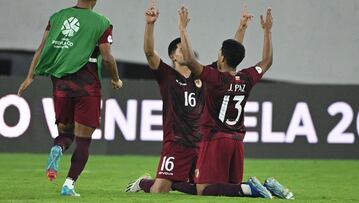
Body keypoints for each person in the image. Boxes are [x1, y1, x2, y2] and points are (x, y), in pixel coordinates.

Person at [126, 1, 253, 195]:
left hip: (203, 143)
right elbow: (150, 53)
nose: (185, 50)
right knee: (160, 190)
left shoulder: (204, 74)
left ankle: (177, 183)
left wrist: (242, 28)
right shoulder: (167, 76)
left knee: (205, 189)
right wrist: (150, 24)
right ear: (173, 57)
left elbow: (229, 57)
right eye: (180, 48)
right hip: (176, 143)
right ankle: (143, 183)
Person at [178, 6, 294, 199]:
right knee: (228, 189)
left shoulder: (216, 79)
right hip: (237, 142)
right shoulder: (246, 77)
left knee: (204, 190)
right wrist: (267, 31)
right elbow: (267, 60)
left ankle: (250, 188)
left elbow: (189, 59)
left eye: (219, 52)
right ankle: (267, 187)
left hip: (215, 139)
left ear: (222, 57)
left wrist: (182, 28)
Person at [17, 0, 122, 197]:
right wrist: (116, 79)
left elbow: (42, 47)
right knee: (83, 141)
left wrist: (30, 76)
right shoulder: (102, 22)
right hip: (86, 85)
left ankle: (57, 147)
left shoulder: (56, 17)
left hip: (61, 84)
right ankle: (69, 184)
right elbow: (107, 57)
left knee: (65, 134)